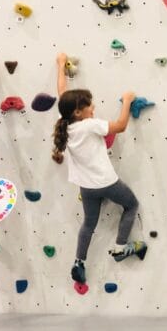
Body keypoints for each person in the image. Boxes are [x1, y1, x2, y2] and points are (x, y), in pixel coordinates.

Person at [52, 52, 146, 286]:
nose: (93, 107)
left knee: (88, 224)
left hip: (87, 187)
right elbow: (121, 126)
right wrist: (126, 101)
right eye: (89, 105)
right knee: (131, 205)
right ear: (78, 112)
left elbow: (62, 94)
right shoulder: (89, 125)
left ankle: (78, 262)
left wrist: (61, 66)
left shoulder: (68, 125)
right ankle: (120, 247)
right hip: (107, 183)